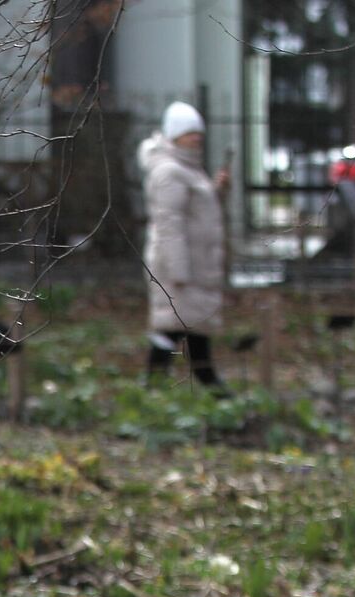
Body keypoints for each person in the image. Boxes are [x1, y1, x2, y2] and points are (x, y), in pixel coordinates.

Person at [139, 101, 229, 391]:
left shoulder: (188, 167)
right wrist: (178, 273)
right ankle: (198, 389)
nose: (196, 138)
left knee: (190, 330)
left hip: (193, 267)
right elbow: (169, 224)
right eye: (189, 132)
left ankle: (204, 388)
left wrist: (217, 191)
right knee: (172, 330)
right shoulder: (170, 171)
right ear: (175, 134)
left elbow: (195, 213)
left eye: (198, 132)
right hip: (178, 270)